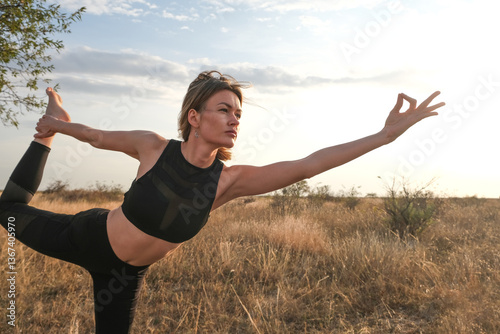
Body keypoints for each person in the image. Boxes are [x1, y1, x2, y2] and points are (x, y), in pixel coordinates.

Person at [0, 70, 445, 333]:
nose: (234, 119)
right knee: (9, 212)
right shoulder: (153, 147)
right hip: (86, 236)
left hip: (125, 276)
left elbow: (309, 164)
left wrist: (384, 136)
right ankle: (47, 135)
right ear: (194, 117)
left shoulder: (227, 183)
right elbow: (97, 137)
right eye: (223, 109)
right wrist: (59, 128)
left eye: (238, 113)